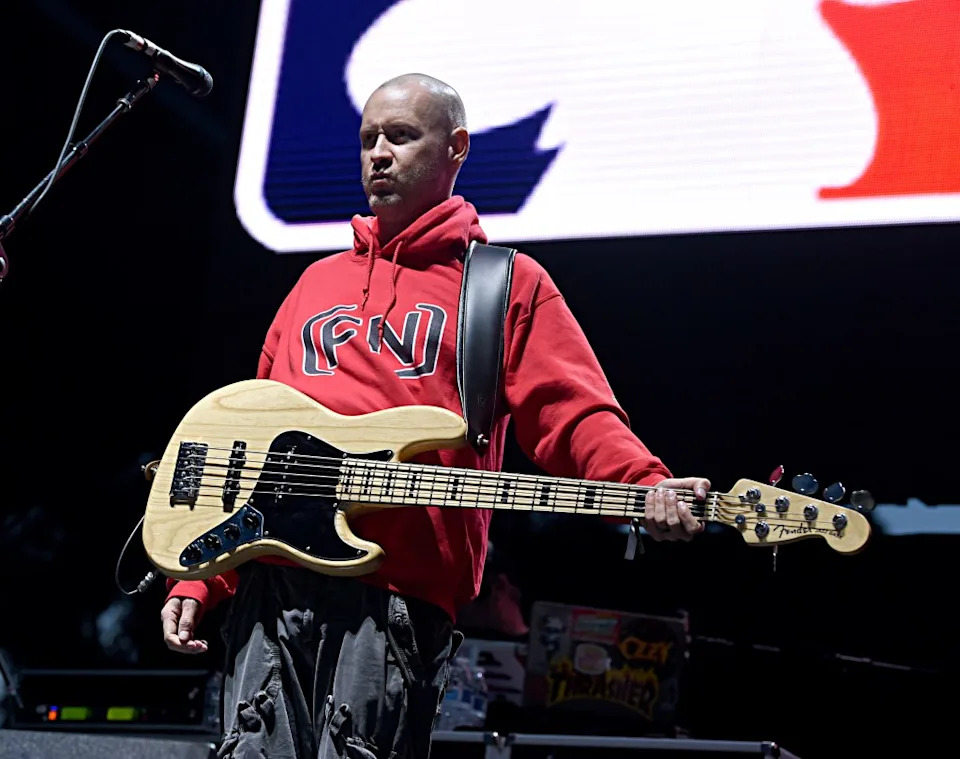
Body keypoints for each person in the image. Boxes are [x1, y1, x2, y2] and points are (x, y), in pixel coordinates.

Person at [159, 73, 709, 759]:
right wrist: (205, 575)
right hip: (274, 589)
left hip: (394, 599)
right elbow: (254, 450)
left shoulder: (503, 284)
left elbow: (572, 415)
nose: (377, 155)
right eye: (367, 140)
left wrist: (644, 481)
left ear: (456, 148)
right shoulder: (314, 284)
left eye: (400, 136)